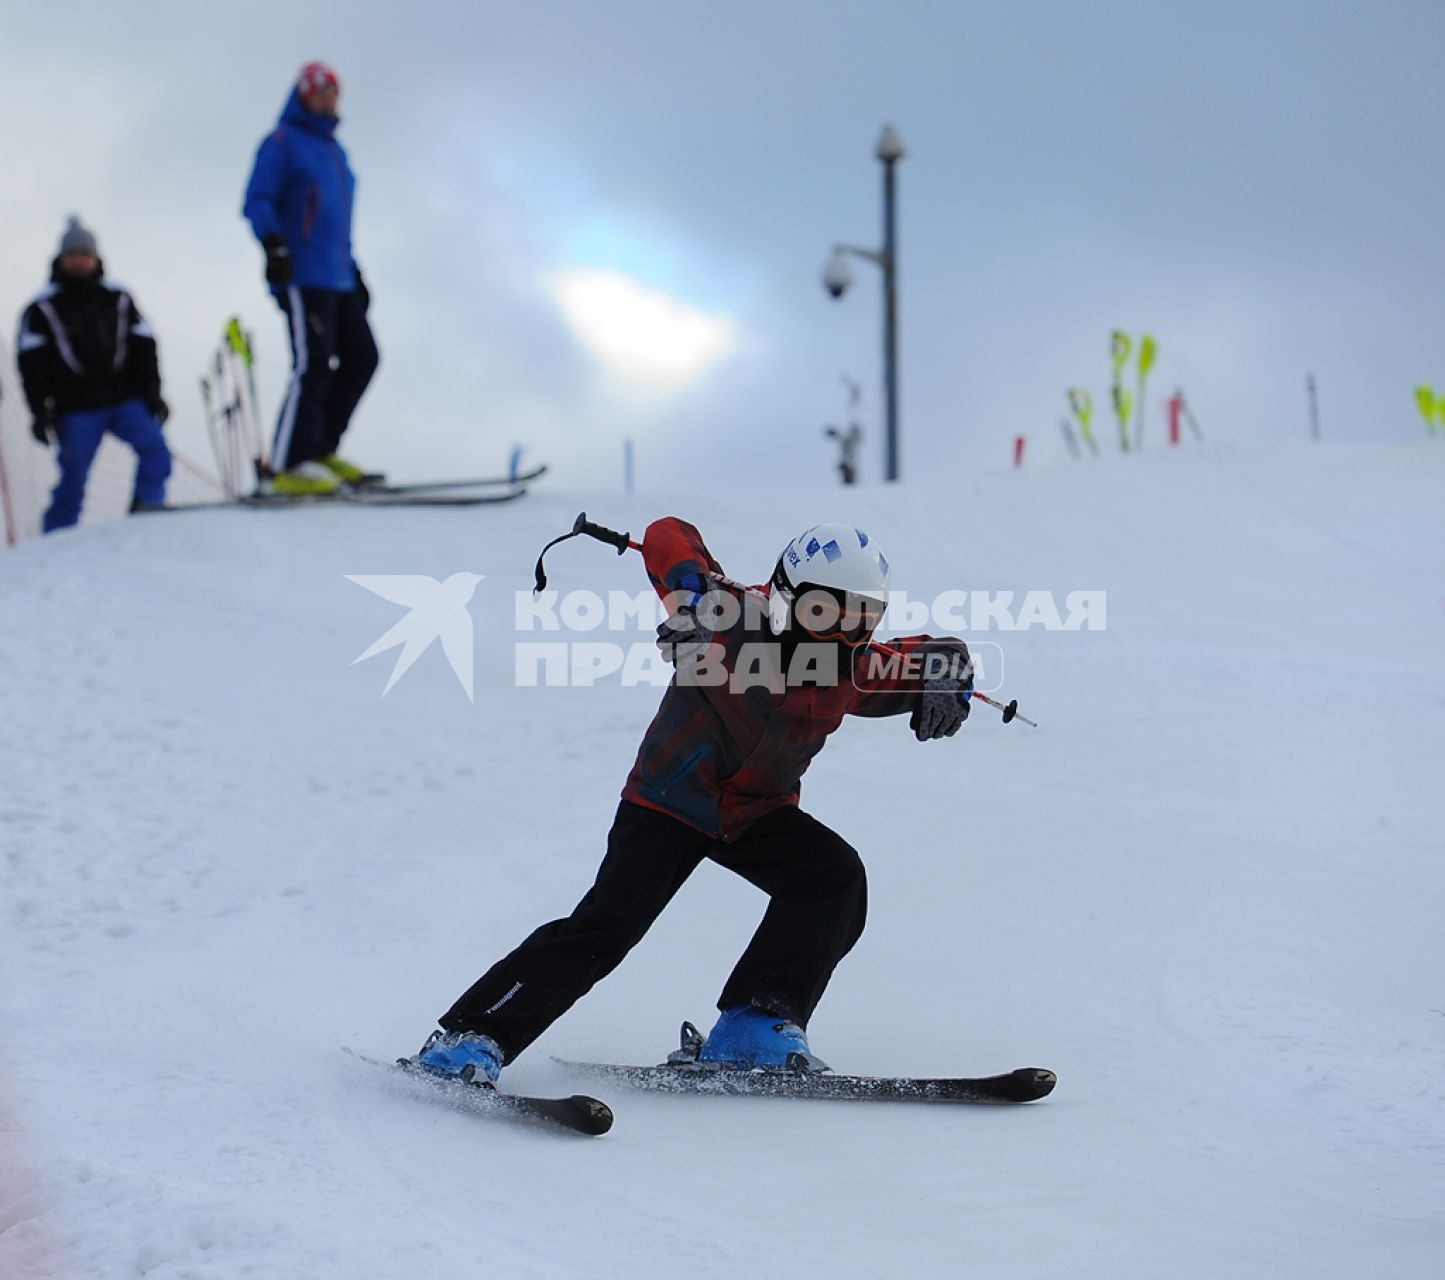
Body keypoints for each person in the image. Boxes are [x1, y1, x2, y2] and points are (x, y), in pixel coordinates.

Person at [412, 518, 974, 1083]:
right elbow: (667, 535)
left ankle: (754, 1023)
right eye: (823, 614)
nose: (839, 636)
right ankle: (471, 1036)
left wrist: (951, 671)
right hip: (667, 804)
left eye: (860, 621)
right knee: (608, 926)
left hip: (756, 814)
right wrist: (693, 598)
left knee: (833, 877)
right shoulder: (725, 618)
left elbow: (927, 654)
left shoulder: (849, 666)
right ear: (785, 596)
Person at [243, 61, 380, 496]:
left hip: (337, 274)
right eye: (319, 92)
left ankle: (319, 450)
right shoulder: (282, 143)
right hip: (303, 275)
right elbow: (258, 199)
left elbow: (336, 222)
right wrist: (275, 245)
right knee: (313, 364)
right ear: (302, 95)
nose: (327, 100)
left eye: (333, 93)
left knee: (362, 357)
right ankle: (286, 465)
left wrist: (353, 271)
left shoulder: (334, 151)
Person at [16, 217, 172, 533]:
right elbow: (32, 365)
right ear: (61, 259)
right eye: (72, 255)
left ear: (96, 258)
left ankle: (148, 508)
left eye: (84, 255)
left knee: (156, 450)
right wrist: (39, 412)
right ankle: (57, 535)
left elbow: (144, 348)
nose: (79, 261)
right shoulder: (42, 308)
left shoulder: (119, 298)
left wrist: (152, 394)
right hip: (75, 408)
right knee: (73, 475)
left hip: (125, 399)